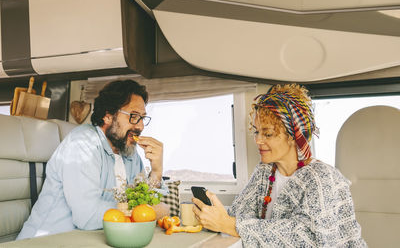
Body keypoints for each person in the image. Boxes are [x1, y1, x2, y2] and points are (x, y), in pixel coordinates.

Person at [192, 84, 367, 247]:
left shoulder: (322, 178)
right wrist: (215, 215)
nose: (258, 140)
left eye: (267, 133)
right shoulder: (265, 172)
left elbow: (309, 239)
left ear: (294, 135)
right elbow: (240, 214)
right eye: (256, 131)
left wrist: (231, 225)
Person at [17, 80, 167, 240]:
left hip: (92, 239)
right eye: (134, 116)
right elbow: (87, 217)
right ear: (108, 116)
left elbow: (146, 201)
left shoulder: (130, 154)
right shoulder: (82, 145)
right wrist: (147, 211)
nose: (141, 126)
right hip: (47, 241)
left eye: (143, 118)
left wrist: (156, 171)